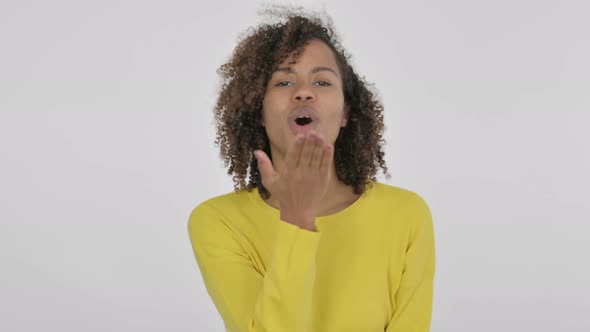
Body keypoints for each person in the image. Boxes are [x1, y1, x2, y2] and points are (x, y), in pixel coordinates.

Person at [188, 6, 436, 332]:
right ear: (259, 112)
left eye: (322, 81)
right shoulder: (218, 222)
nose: (303, 91)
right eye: (283, 82)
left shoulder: (406, 214)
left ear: (346, 112)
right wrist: (297, 220)